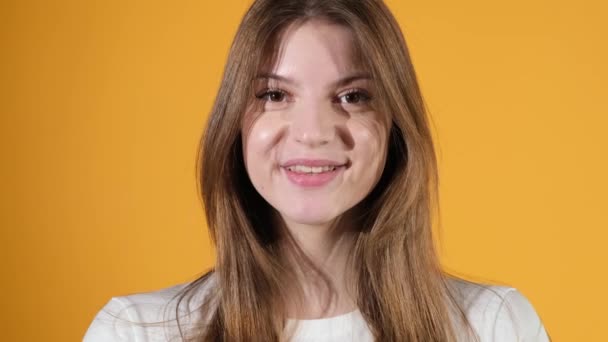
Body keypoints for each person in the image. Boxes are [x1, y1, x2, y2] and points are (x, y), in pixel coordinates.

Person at [83, 0, 550, 341]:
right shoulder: (135, 331)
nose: (313, 132)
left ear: (394, 126)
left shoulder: (493, 326)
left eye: (352, 96)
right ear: (235, 124)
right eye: (274, 95)